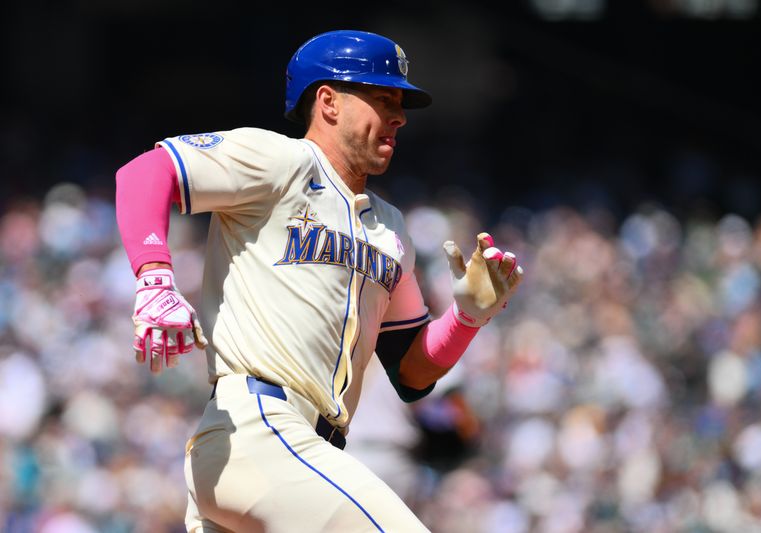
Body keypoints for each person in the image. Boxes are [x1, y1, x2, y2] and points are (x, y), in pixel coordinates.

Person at [115, 29, 523, 533]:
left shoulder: (391, 228)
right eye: (381, 97)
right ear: (328, 102)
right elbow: (145, 173)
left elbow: (412, 372)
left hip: (303, 458)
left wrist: (466, 317)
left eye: (400, 102)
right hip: (259, 430)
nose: (397, 115)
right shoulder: (281, 161)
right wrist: (154, 276)